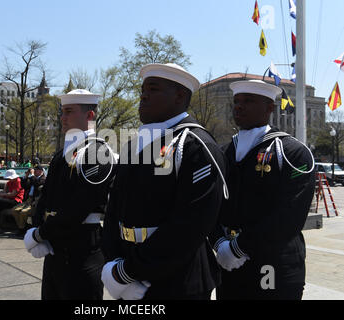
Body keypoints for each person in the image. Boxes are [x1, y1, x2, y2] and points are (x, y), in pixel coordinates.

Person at [101, 63, 227, 300]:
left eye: (154, 89)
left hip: (177, 281)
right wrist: (113, 262)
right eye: (143, 90)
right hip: (126, 270)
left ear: (179, 96)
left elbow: (190, 225)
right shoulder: (135, 144)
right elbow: (114, 208)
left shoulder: (195, 145)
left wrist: (128, 271)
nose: (143, 95)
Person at [209, 80, 315, 300]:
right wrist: (219, 243)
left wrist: (239, 248)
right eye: (236, 101)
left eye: (248, 101)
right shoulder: (223, 152)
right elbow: (211, 205)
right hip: (228, 262)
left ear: (269, 108)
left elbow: (289, 216)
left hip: (274, 264)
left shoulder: (292, 153)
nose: (239, 106)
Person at [23, 89, 117, 300]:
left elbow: (79, 207)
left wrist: (40, 234)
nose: (62, 118)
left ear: (89, 115)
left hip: (82, 250)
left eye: (69, 111)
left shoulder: (98, 153)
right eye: (62, 112)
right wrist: (37, 228)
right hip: (55, 249)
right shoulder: (62, 154)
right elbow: (46, 197)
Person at [12, 165, 46, 236]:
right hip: (27, 200)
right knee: (14, 210)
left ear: (41, 171)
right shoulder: (32, 178)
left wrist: (33, 175)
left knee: (23, 212)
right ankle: (24, 227)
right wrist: (26, 176)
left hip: (35, 202)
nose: (35, 172)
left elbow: (37, 183)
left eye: (36, 170)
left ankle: (21, 229)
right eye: (34, 170)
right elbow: (24, 185)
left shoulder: (43, 179)